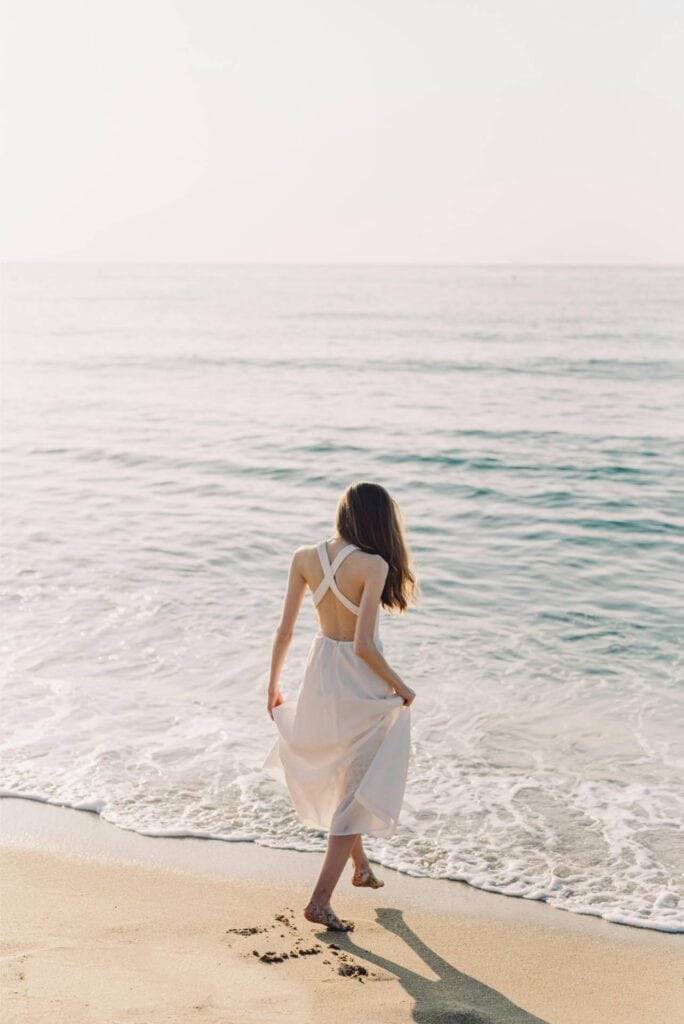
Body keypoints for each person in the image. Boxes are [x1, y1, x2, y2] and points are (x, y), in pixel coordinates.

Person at [262, 481, 418, 931]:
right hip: (358, 682)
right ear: (379, 520)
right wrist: (401, 686)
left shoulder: (304, 557)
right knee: (356, 787)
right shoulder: (373, 564)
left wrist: (272, 685)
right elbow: (365, 646)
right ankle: (320, 900)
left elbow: (285, 630)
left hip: (321, 674)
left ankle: (362, 867)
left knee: (345, 773)